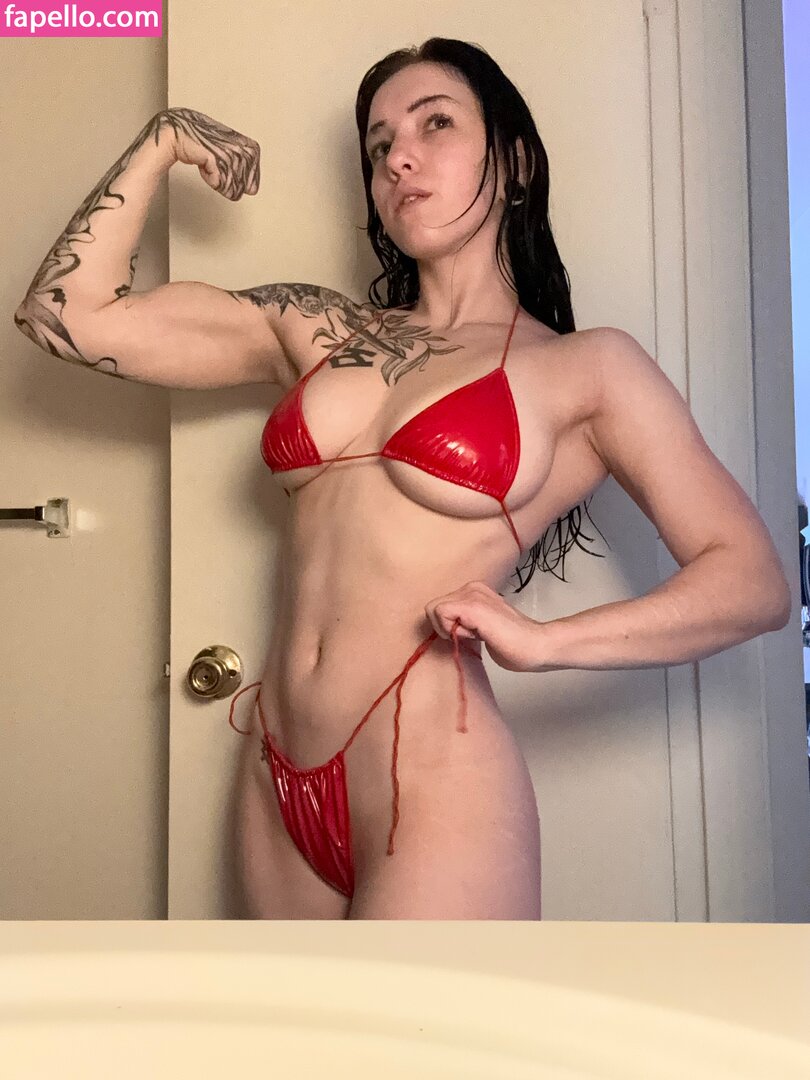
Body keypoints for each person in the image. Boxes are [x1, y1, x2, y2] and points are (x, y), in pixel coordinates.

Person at [14, 38, 791, 921]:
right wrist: (161, 140)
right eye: (379, 145)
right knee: (278, 1019)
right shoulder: (319, 330)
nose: (399, 159)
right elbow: (63, 315)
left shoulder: (587, 369)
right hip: (275, 765)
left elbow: (751, 581)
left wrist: (547, 641)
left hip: (431, 768)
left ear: (515, 162)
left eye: (435, 125)